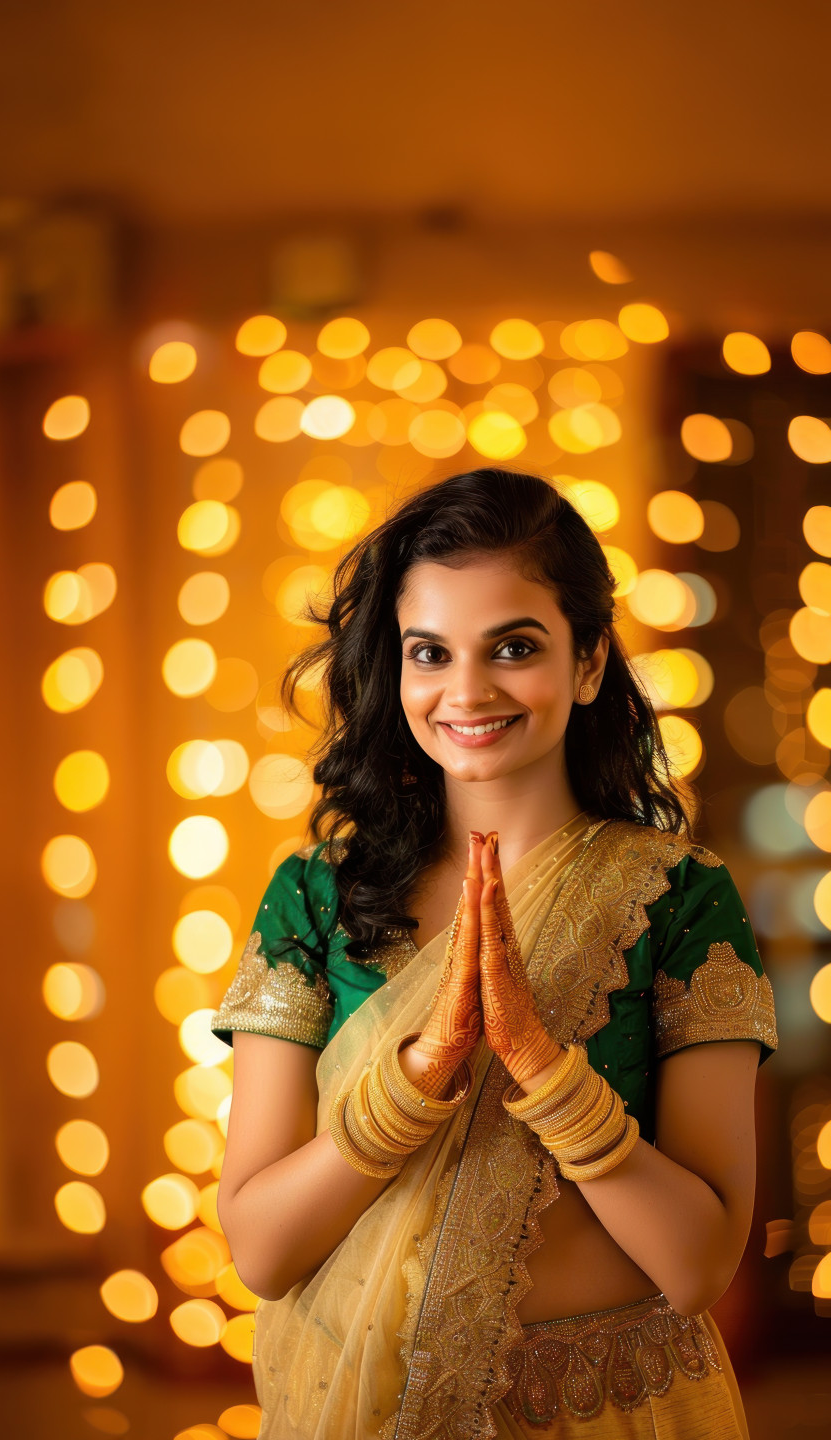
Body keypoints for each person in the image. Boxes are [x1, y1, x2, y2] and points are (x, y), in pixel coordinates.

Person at [210, 467, 778, 1439]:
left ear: (590, 661)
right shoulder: (318, 897)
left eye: (514, 647)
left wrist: (542, 1069)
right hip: (365, 1408)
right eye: (429, 652)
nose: (466, 691)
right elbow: (261, 1252)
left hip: (607, 1416)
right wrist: (418, 1080)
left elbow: (697, 1268)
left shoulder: (680, 899)